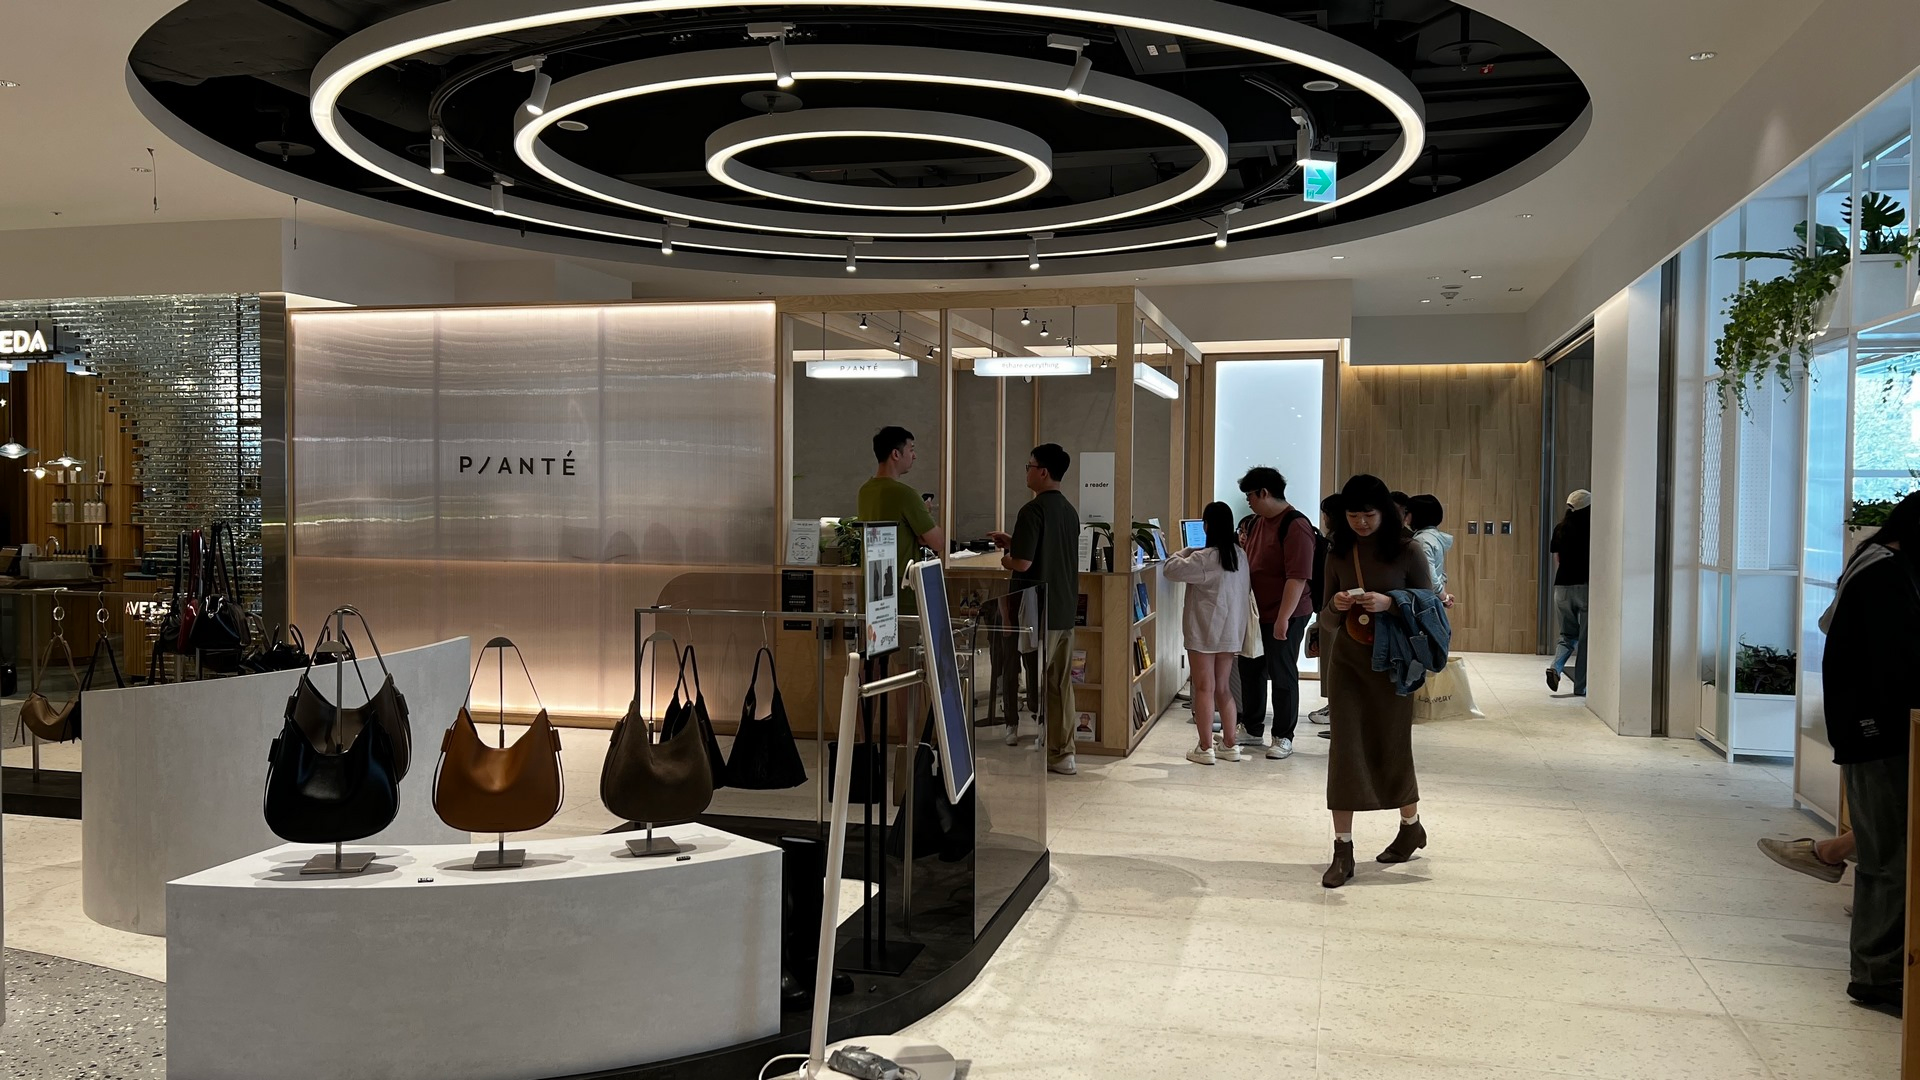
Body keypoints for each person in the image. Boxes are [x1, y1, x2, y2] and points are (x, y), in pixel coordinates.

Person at [1811, 492, 1920, 1016]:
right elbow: (1896, 665)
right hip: (1877, 734)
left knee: (1888, 845)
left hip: (1873, 730)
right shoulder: (1886, 577)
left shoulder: (1875, 563)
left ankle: (1830, 852)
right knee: (1888, 859)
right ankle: (1876, 975)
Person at [1318, 474, 1434, 888]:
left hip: (1394, 666)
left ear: (1384, 512)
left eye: (1369, 514)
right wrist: (1336, 604)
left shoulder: (1408, 550)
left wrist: (1391, 602)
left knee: (1392, 746)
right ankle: (1342, 849)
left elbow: (1430, 606)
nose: (1362, 523)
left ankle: (1410, 827)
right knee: (1345, 752)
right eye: (1353, 516)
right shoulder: (1337, 552)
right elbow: (1325, 620)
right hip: (1348, 664)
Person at [990, 444, 1082, 775]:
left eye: (1029, 466)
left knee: (1036, 680)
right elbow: (1048, 551)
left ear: (1042, 472)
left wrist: (1006, 559)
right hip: (1064, 608)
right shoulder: (1069, 511)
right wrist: (1014, 541)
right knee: (1060, 684)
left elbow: (1024, 563)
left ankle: (1046, 744)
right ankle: (1064, 753)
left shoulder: (1032, 510)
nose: (1026, 472)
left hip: (1037, 612)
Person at [1235, 466, 1318, 760]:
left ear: (1264, 493)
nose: (1248, 502)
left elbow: (1297, 577)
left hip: (1287, 612)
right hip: (1257, 613)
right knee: (1250, 668)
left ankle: (1283, 736)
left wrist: (1283, 618)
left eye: (1250, 496)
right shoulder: (1257, 523)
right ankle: (1252, 728)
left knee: (1282, 673)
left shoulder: (1295, 525)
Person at [1164, 501, 1251, 765]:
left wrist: (1188, 549)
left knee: (1204, 687)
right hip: (1230, 631)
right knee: (1223, 688)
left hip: (1203, 632)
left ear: (1206, 526)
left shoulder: (1203, 558)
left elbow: (1170, 568)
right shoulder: (1240, 555)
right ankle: (1229, 744)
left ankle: (1205, 748)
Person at [857, 427, 946, 587]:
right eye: (911, 449)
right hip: (901, 585)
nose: (914, 456)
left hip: (872, 584)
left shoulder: (865, 491)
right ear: (896, 454)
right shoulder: (906, 494)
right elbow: (938, 542)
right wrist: (926, 513)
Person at [1547, 489, 1590, 696]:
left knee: (1566, 635)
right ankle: (1581, 687)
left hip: (1562, 587)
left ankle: (1555, 667)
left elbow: (1558, 560)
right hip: (1585, 587)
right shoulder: (1593, 528)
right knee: (1586, 639)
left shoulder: (1560, 529)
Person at [1308, 493, 1341, 731]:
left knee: (1332, 658)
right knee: (1329, 657)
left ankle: (1336, 708)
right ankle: (1334, 706)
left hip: (1333, 607)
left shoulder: (1335, 543)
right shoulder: (1331, 541)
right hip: (1331, 606)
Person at [1407, 495, 1455, 608]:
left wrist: (1444, 597)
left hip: (1425, 600)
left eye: (1407, 512)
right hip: (1432, 598)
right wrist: (1443, 594)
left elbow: (1429, 574)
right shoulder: (1433, 537)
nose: (1405, 516)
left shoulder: (1422, 540)